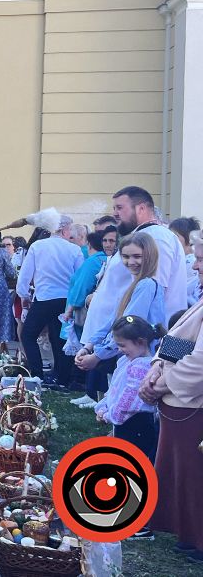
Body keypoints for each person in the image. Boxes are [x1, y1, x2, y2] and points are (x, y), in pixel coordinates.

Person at [77, 186, 189, 374]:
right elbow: (120, 309)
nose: (115, 214)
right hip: (124, 343)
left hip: (144, 349)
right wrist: (92, 344)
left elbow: (139, 314)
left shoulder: (156, 239)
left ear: (142, 208)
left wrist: (99, 353)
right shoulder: (140, 237)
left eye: (120, 208)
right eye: (126, 257)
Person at [140, 231, 203, 562]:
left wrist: (163, 383)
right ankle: (188, 532)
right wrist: (157, 368)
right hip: (180, 401)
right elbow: (180, 338)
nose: (197, 267)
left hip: (193, 404)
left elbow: (201, 360)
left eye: (202, 260)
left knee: (194, 474)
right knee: (179, 470)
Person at [16, 215, 83, 386]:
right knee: (60, 338)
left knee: (28, 334)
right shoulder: (74, 250)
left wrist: (24, 295)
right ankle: (63, 378)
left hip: (44, 297)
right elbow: (79, 278)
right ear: (65, 230)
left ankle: (37, 373)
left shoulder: (38, 246)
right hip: (66, 300)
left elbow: (25, 275)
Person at [95, 315, 162, 468]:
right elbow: (115, 389)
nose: (120, 349)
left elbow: (129, 400)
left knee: (131, 462)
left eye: (123, 345)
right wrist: (104, 406)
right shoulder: (127, 360)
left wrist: (109, 415)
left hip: (136, 424)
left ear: (141, 342)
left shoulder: (142, 366)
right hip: (124, 421)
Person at [67, 227, 116, 407]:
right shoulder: (107, 260)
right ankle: (94, 394)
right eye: (105, 240)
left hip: (109, 317)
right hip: (100, 315)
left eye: (112, 241)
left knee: (105, 362)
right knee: (94, 351)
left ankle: (101, 399)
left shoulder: (103, 260)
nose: (108, 244)